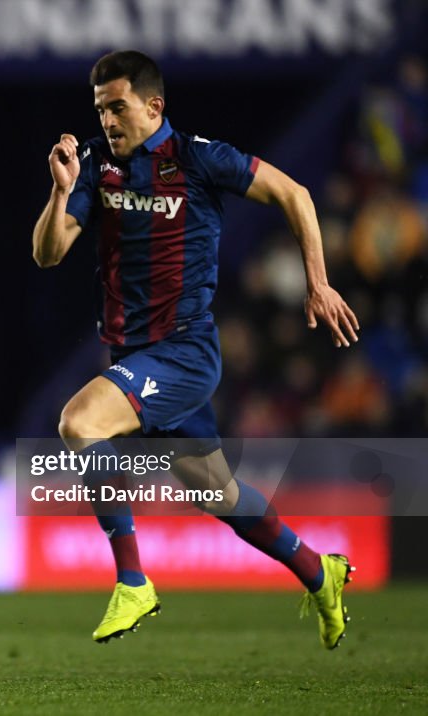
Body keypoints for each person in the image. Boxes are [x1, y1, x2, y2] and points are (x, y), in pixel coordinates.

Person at [32, 51, 360, 649]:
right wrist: (61, 192)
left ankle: (133, 580)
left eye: (118, 107)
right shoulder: (95, 163)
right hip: (133, 357)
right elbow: (48, 254)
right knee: (219, 494)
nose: (107, 120)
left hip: (184, 351)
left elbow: (296, 195)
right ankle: (319, 571)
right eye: (100, 108)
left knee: (78, 424)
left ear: (154, 106)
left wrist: (318, 281)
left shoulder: (200, 158)